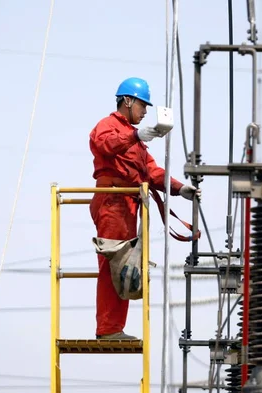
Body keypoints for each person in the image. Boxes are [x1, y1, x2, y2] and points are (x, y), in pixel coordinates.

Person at [89, 77, 200, 340]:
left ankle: (114, 327)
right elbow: (104, 145)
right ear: (127, 100)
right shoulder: (108, 127)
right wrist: (135, 135)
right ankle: (108, 328)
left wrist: (179, 188)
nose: (146, 111)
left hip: (127, 204)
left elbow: (150, 171)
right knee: (113, 264)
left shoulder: (135, 141)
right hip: (112, 201)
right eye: (143, 104)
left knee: (125, 266)